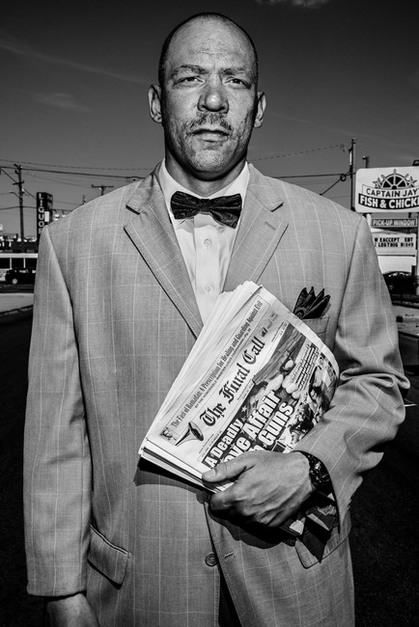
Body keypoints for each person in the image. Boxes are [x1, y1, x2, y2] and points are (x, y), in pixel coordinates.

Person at [24, 12, 409, 627]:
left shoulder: (339, 234)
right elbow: (56, 435)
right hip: (140, 591)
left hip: (296, 585)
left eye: (234, 80)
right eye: (190, 78)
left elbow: (379, 383)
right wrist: (60, 592)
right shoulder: (73, 243)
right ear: (157, 102)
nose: (212, 100)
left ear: (259, 106)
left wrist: (311, 467)